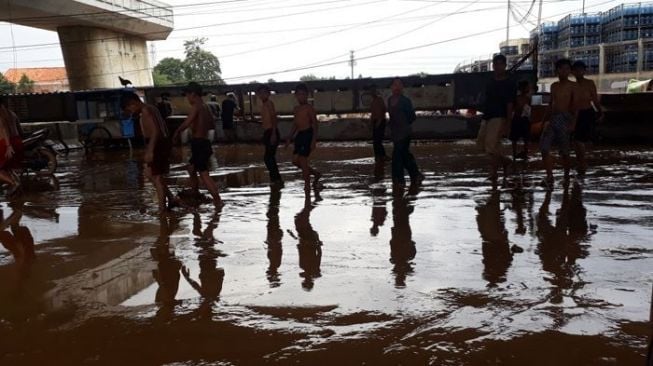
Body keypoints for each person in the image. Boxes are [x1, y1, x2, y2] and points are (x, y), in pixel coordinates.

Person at [121, 91, 177, 214]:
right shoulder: (151, 108)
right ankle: (171, 198)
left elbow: (155, 131)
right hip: (160, 142)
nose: (131, 113)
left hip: (157, 143)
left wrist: (150, 150)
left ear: (133, 103)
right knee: (149, 174)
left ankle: (162, 209)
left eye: (129, 110)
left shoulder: (146, 110)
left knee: (156, 177)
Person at [173, 82, 223, 208]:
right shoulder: (206, 107)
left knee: (204, 174)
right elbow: (211, 125)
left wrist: (177, 132)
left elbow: (186, 122)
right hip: (203, 142)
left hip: (199, 143)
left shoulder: (197, 106)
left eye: (187, 95)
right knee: (191, 168)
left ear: (193, 94)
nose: (187, 98)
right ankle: (195, 192)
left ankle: (218, 200)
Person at [477, 54, 517, 187]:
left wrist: (508, 123)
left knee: (490, 146)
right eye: (496, 64)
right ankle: (505, 162)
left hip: (500, 116)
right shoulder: (490, 82)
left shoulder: (509, 83)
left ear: (505, 66)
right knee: (483, 145)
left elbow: (510, 104)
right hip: (487, 115)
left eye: (500, 64)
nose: (498, 67)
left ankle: (493, 173)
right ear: (493, 66)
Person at [541, 58, 578, 188]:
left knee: (564, 151)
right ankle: (549, 176)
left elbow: (575, 106)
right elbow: (551, 104)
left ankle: (566, 176)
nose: (564, 71)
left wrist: (573, 123)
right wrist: (544, 121)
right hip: (553, 118)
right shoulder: (554, 86)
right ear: (557, 70)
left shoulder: (573, 86)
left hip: (565, 118)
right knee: (544, 147)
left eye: (567, 69)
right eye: (562, 68)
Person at [285, 83, 321, 196]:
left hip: (308, 134)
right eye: (299, 94)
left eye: (303, 94)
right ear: (295, 96)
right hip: (299, 135)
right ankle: (315, 173)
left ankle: (307, 186)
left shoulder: (309, 108)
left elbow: (315, 124)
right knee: (295, 161)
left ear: (307, 95)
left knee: (303, 161)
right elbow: (295, 124)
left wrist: (313, 140)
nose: (301, 96)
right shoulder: (296, 109)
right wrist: (289, 137)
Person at [387, 78, 423, 187]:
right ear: (391, 87)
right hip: (396, 133)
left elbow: (412, 117)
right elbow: (391, 116)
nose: (397, 87)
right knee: (404, 155)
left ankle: (399, 180)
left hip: (405, 132)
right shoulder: (389, 100)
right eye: (395, 85)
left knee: (397, 156)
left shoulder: (405, 101)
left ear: (402, 88)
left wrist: (403, 124)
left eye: (399, 85)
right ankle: (416, 175)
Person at [571, 60, 603, 175]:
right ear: (573, 72)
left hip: (587, 113)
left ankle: (582, 162)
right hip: (575, 114)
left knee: (579, 140)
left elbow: (594, 99)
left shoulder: (589, 83)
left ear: (584, 71)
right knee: (576, 140)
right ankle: (581, 162)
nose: (578, 72)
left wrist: (600, 111)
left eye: (581, 70)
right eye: (576, 70)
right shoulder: (572, 85)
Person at [256, 84, 283, 187]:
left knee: (268, 158)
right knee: (269, 157)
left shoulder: (268, 103)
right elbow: (267, 119)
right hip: (268, 132)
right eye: (260, 93)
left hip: (272, 131)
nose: (262, 95)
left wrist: (273, 134)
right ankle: (275, 179)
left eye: (264, 93)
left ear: (268, 94)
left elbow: (273, 118)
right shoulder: (264, 105)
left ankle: (277, 179)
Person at [509, 80, 532, 161]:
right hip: (517, 119)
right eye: (527, 87)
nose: (529, 88)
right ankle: (515, 154)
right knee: (515, 138)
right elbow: (513, 109)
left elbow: (528, 110)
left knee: (526, 138)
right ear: (523, 88)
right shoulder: (517, 98)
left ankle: (524, 154)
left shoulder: (528, 98)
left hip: (524, 119)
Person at [0, 97, 18, 194]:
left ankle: (13, 183)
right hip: (10, 141)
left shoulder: (2, 113)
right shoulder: (9, 112)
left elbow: (4, 129)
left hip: (3, 143)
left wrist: (8, 146)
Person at [369, 85, 389, 162]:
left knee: (377, 141)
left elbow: (382, 111)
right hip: (377, 121)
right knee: (376, 141)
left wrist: (379, 121)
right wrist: (371, 123)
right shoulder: (374, 101)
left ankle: (380, 156)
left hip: (380, 121)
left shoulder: (379, 100)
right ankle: (379, 156)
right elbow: (373, 113)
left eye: (373, 91)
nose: (372, 93)